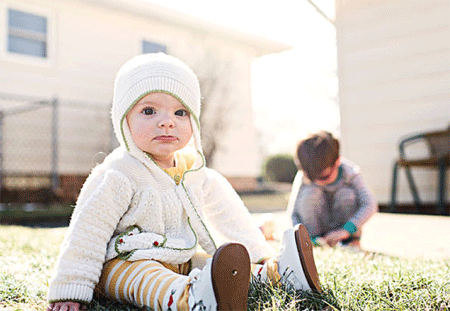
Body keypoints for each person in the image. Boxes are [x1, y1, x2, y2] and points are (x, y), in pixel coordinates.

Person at [47, 53, 321, 311]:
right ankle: (189, 297)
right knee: (145, 274)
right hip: (124, 263)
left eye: (180, 113)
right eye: (149, 110)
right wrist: (71, 287)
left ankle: (277, 273)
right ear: (124, 119)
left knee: (213, 267)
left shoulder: (196, 172)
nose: (167, 122)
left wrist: (260, 253)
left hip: (181, 260)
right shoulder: (120, 173)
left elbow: (231, 216)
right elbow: (87, 230)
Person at [288, 131, 378, 248]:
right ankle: (315, 242)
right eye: (311, 177)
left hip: (346, 230)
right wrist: (303, 237)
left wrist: (346, 230)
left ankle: (351, 241)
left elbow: (370, 204)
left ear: (337, 162)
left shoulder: (349, 173)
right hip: (316, 231)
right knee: (309, 193)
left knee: (346, 194)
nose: (317, 181)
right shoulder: (303, 176)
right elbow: (293, 213)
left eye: (323, 177)